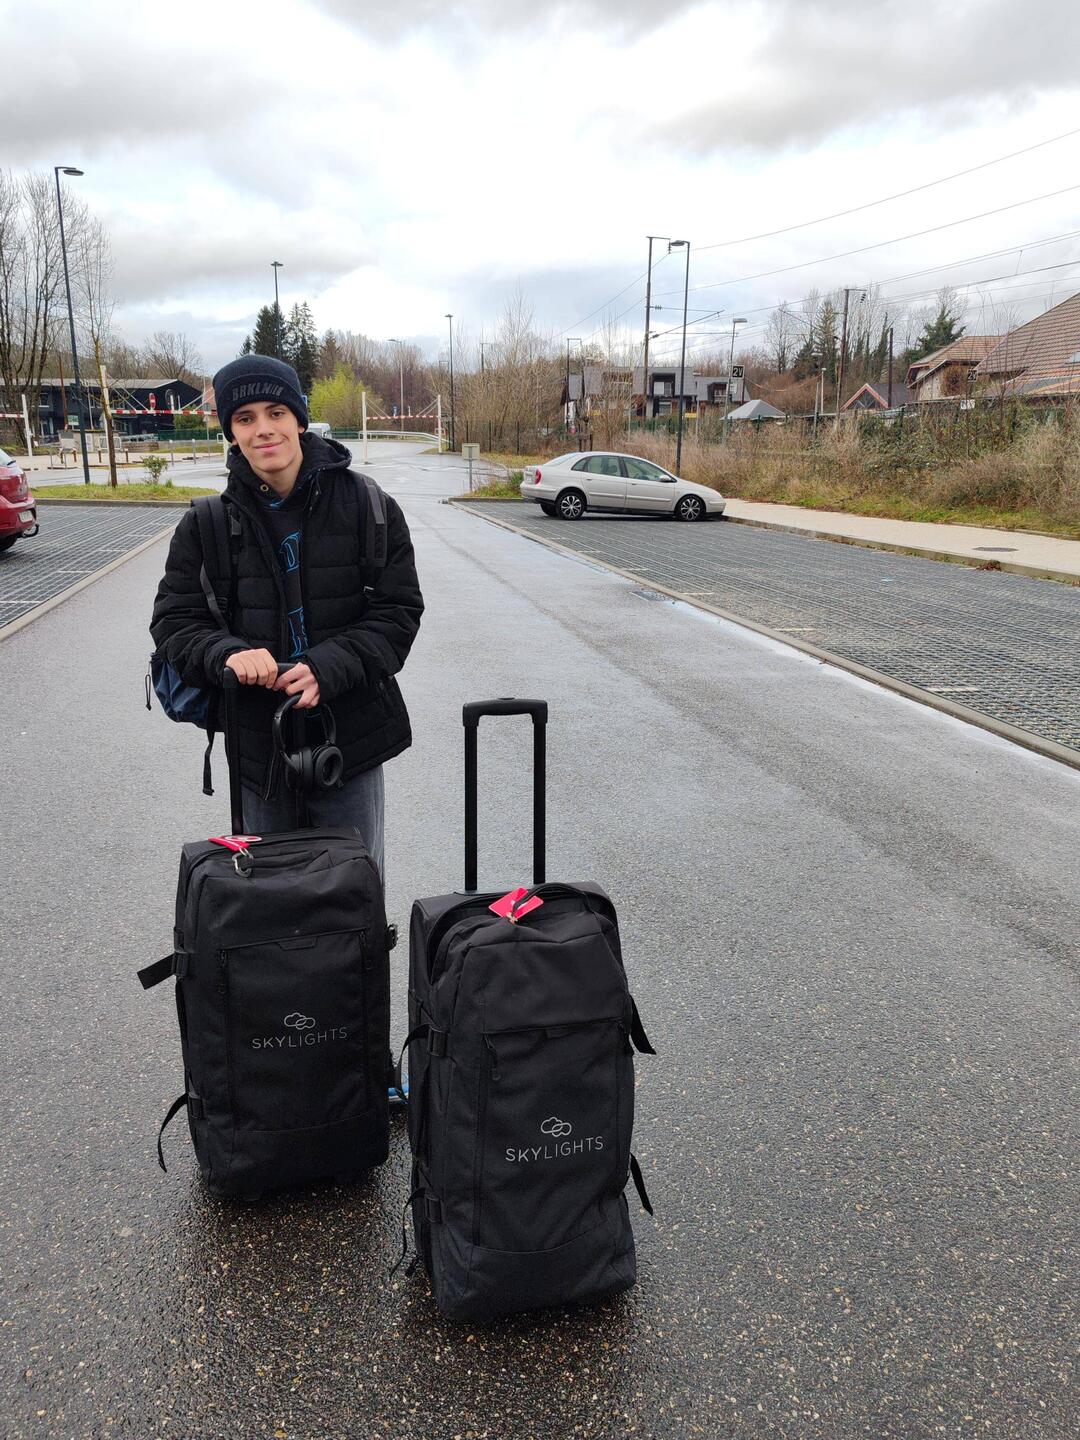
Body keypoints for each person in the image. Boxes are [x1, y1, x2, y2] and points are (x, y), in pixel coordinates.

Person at [150, 352, 423, 882]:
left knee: (354, 890)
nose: (263, 429)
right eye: (245, 418)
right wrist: (227, 654)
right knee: (271, 898)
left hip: (349, 741)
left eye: (276, 412)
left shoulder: (369, 506)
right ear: (231, 432)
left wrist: (328, 667)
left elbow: (398, 613)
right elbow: (174, 623)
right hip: (258, 748)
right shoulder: (206, 524)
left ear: (299, 419)